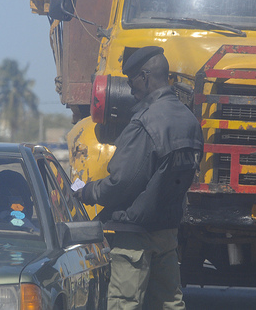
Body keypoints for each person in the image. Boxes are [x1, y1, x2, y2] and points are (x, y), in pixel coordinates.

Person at [74, 46, 204, 310]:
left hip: (135, 235)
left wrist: (86, 192)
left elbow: (122, 182)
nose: (130, 88)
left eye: (132, 79)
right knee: (170, 303)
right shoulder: (189, 120)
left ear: (145, 77)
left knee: (124, 304)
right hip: (166, 231)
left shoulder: (145, 122)